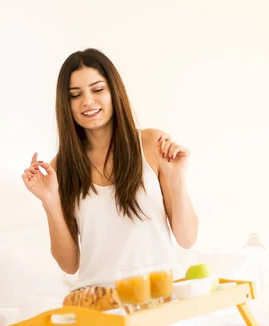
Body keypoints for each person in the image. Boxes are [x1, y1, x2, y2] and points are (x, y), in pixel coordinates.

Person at [22, 48, 199, 310]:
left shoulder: (151, 144)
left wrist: (177, 179)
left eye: (97, 89)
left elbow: (187, 238)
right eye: (75, 95)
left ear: (113, 91)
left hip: (156, 297)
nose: (88, 101)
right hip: (96, 301)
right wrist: (50, 200)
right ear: (65, 103)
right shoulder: (62, 166)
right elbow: (69, 264)